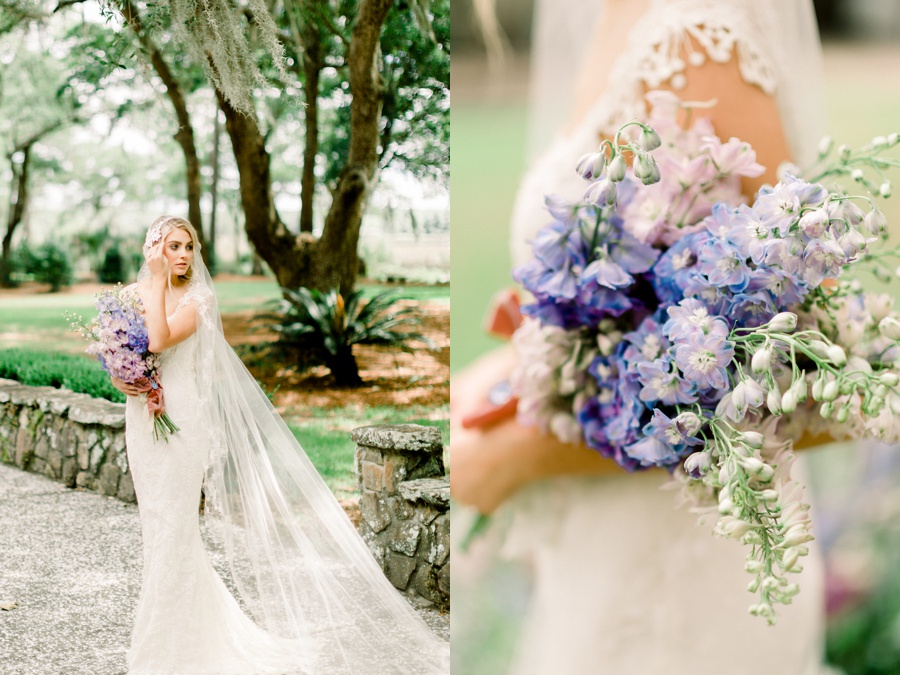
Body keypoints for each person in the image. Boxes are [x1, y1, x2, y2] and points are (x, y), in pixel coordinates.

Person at [451, 1, 836, 673]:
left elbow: (791, 372)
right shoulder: (608, 16)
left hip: (690, 590)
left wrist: (515, 458)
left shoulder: (700, 40)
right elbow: (617, 322)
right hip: (602, 551)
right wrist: (512, 371)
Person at [110, 216, 449, 674]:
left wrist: (154, 283)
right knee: (156, 528)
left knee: (175, 529)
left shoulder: (199, 298)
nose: (184, 254)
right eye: (173, 246)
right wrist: (121, 377)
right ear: (154, 247)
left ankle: (162, 653)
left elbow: (159, 339)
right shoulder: (131, 297)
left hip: (182, 421)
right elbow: (123, 355)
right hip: (143, 423)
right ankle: (180, 639)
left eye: (189, 246)